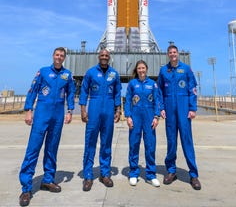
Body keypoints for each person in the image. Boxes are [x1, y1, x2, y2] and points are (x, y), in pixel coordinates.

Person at [19, 47, 76, 206]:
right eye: (57, 55)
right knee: (33, 149)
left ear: (64, 58)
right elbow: (33, 90)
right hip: (42, 114)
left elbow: (70, 93)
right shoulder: (43, 72)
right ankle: (26, 188)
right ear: (53, 56)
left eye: (62, 55)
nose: (59, 57)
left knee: (52, 148)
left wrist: (70, 110)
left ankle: (48, 180)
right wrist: (29, 110)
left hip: (57, 115)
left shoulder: (67, 75)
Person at [157, 44, 201, 190]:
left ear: (178, 54)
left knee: (187, 141)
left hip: (183, 109)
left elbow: (192, 89)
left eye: (174, 52)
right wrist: (161, 108)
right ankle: (171, 171)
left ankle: (193, 175)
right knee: (171, 141)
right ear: (167, 54)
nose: (172, 54)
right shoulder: (164, 71)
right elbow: (160, 92)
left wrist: (192, 108)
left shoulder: (186, 69)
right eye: (170, 52)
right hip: (169, 109)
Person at [79, 49, 122, 191]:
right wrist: (83, 110)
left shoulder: (114, 74)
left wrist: (118, 110)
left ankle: (105, 174)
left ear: (109, 58)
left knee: (106, 143)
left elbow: (117, 93)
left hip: (109, 109)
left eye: (106, 56)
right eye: (102, 55)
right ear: (99, 57)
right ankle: (88, 176)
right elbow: (84, 91)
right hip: (94, 108)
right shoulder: (91, 72)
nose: (104, 57)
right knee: (90, 142)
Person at [124, 60, 160, 187]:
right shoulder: (132, 84)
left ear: (146, 69)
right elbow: (127, 100)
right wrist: (128, 116)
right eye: (139, 68)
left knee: (150, 145)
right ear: (136, 70)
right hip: (135, 117)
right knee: (134, 144)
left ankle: (151, 174)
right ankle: (133, 173)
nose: (141, 70)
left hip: (149, 117)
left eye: (143, 68)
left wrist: (156, 116)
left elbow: (157, 101)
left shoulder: (153, 84)